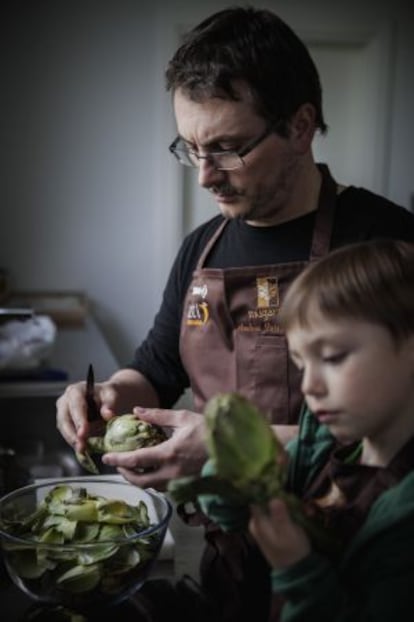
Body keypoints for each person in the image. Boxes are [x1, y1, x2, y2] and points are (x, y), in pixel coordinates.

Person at [55, 6, 414, 621]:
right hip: (228, 557)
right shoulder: (202, 248)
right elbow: (158, 365)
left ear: (300, 127)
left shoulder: (385, 244)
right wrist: (113, 394)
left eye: (227, 148)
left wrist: (232, 454)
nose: (204, 177)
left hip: (359, 565)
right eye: (189, 148)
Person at [239, 238, 414, 621]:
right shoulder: (321, 443)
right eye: (302, 364)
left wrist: (298, 569)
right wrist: (232, 485)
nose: (308, 386)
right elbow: (261, 510)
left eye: (333, 357)